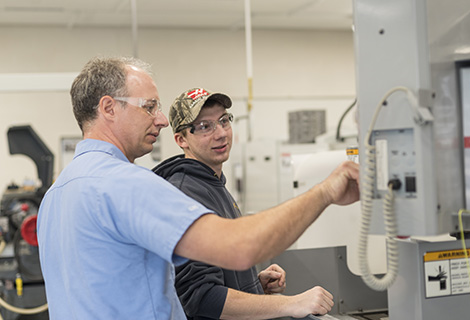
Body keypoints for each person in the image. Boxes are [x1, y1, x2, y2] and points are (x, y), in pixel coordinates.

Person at [36, 56, 360, 320]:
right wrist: (325, 192)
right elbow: (241, 248)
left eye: (223, 121)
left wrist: (249, 284)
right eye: (149, 107)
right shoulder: (128, 185)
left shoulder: (57, 193)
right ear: (108, 108)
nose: (161, 120)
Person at [153, 87, 336, 319]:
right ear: (181, 139)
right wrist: (291, 304)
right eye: (204, 127)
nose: (220, 133)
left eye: (223, 121)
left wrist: (252, 285)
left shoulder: (212, 183)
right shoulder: (185, 194)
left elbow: (215, 274)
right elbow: (201, 297)